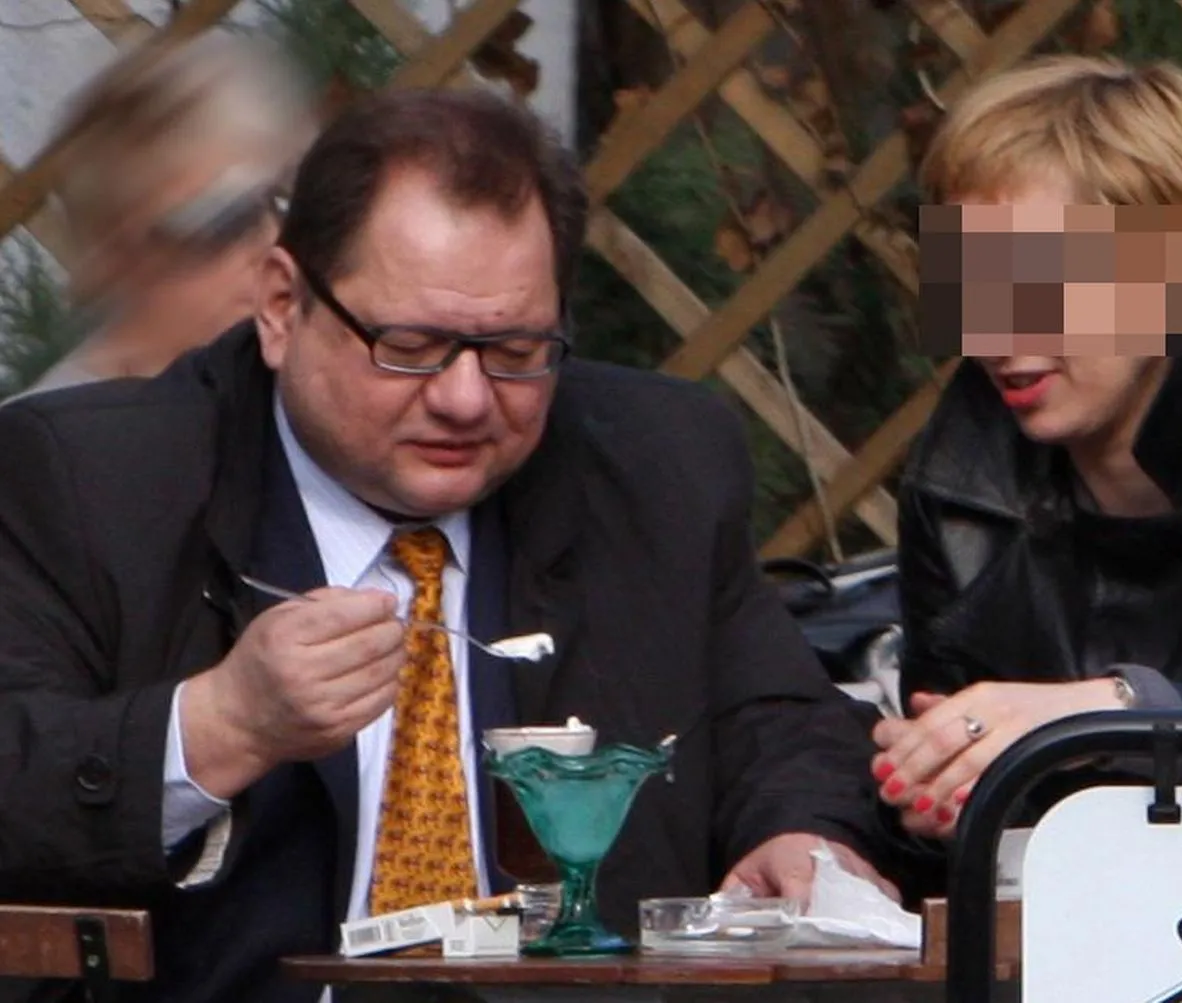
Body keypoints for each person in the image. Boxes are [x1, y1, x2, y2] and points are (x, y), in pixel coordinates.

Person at [0, 88, 899, 1002]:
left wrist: (800, 834)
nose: (465, 399)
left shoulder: (656, 464)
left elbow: (779, 719)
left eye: (514, 351)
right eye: (411, 345)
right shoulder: (93, 482)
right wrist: (222, 723)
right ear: (281, 306)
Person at [873, 55, 1182, 887]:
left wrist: (1114, 711)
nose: (993, 333)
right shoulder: (962, 473)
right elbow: (954, 817)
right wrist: (930, 797)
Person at [16, 34, 313, 396]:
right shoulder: (62, 425)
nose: (270, 240)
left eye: (280, 198)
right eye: (224, 223)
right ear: (119, 257)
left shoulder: (289, 375)